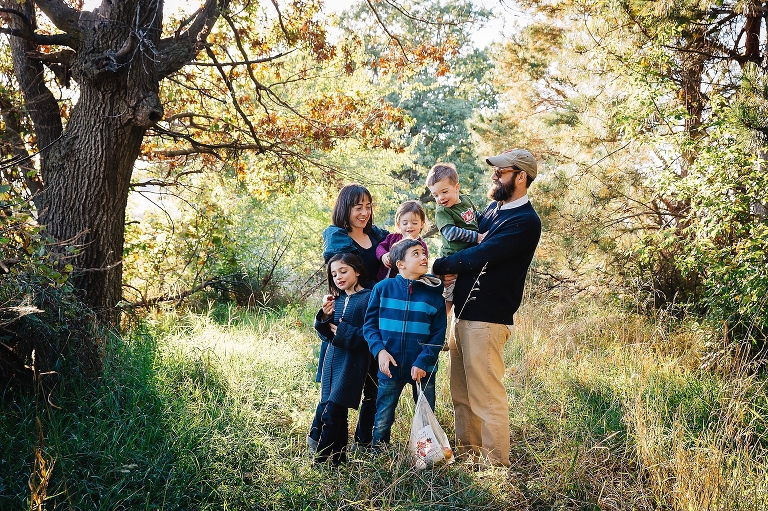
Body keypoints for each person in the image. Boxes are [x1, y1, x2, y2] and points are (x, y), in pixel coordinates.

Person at [432, 148, 542, 467]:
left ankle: (495, 465)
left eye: (502, 171)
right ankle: (468, 456)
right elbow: (463, 240)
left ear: (520, 177)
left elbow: (481, 255)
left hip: (488, 319)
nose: (494, 175)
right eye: (495, 170)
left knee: (487, 397)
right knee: (462, 395)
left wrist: (436, 265)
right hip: (463, 315)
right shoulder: (494, 209)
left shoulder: (524, 221)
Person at [310, 184, 387, 451]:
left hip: (374, 313)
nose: (364, 212)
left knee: (374, 385)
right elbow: (338, 277)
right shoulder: (338, 237)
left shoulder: (377, 236)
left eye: (368, 206)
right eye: (358, 207)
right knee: (337, 385)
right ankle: (319, 436)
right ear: (346, 208)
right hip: (347, 313)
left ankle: (364, 440)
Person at [363, 238, 447, 447]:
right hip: (390, 367)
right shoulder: (383, 289)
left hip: (422, 369)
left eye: (424, 253)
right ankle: (379, 452)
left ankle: (426, 454)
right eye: (416, 253)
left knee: (426, 413)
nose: (423, 256)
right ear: (400, 263)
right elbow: (369, 326)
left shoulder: (434, 295)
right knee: (383, 415)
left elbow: (438, 335)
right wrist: (380, 351)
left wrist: (423, 362)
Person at [313, 253, 372, 465]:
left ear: (357, 271)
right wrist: (324, 318)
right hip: (332, 361)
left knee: (331, 413)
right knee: (338, 414)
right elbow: (324, 334)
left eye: (343, 271)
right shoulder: (335, 300)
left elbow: (370, 334)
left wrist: (343, 331)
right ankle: (339, 460)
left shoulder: (369, 297)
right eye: (334, 274)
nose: (338, 277)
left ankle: (318, 462)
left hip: (352, 362)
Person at [426, 162, 484, 317]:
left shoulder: (466, 201)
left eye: (444, 192)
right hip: (451, 259)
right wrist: (477, 237)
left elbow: (474, 219)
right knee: (448, 297)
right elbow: (451, 233)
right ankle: (438, 327)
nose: (440, 198)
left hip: (467, 258)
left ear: (457, 187)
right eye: (435, 195)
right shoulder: (442, 211)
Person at [375, 200, 428, 280]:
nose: (409, 226)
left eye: (414, 223)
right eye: (405, 223)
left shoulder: (421, 246)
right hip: (384, 279)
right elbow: (381, 247)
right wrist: (383, 255)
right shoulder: (392, 237)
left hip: (406, 283)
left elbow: (423, 264)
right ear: (399, 224)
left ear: (422, 223)